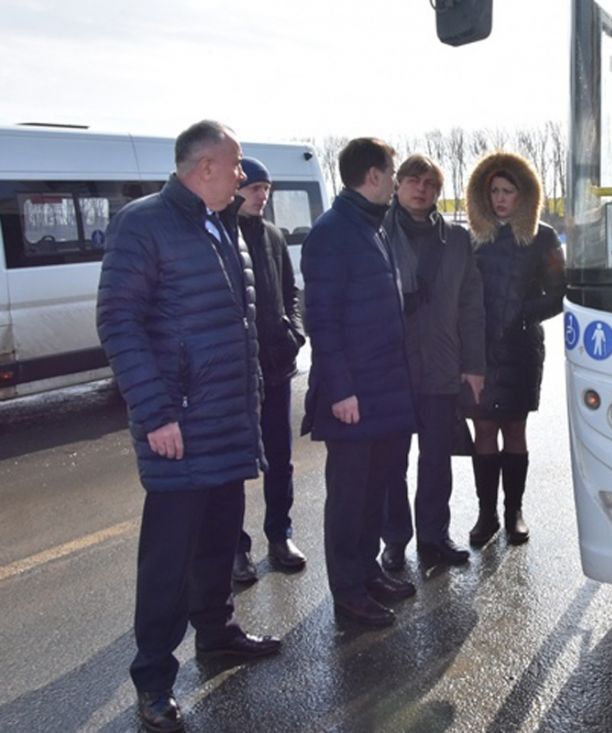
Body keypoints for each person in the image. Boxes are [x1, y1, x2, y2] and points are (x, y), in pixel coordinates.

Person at [96, 120, 280, 733]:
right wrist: (155, 413)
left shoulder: (221, 225)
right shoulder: (145, 223)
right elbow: (119, 322)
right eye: (234, 167)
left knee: (217, 544)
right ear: (204, 167)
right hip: (180, 424)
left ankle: (218, 635)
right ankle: (153, 681)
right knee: (168, 565)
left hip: (226, 419)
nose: (241, 177)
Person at [300, 137, 418, 627]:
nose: (394, 180)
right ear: (373, 176)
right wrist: (341, 390)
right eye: (391, 173)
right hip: (355, 394)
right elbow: (322, 322)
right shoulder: (333, 233)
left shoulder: (373, 227)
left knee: (375, 491)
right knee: (349, 498)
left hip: (386, 389)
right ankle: (348, 592)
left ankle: (367, 572)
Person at [380, 154, 486, 571]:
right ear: (397, 184)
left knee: (437, 459)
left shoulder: (457, 239)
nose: (421, 189)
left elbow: (472, 305)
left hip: (443, 365)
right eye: (413, 181)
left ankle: (434, 535)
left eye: (430, 184)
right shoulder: (378, 232)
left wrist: (474, 365)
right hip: (392, 367)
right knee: (392, 462)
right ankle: (394, 540)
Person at [463, 151, 565, 546]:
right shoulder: (471, 239)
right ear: (483, 195)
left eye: (508, 191)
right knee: (484, 429)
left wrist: (523, 313)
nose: (501, 199)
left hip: (522, 348)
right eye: (494, 191)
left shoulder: (543, 237)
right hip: (478, 351)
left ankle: (514, 512)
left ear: (524, 195)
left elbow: (559, 292)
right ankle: (485, 515)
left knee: (515, 430)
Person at [225, 157, 307, 583]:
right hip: (237, 373)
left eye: (266, 190)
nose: (262, 196)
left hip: (277, 367)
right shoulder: (219, 235)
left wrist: (294, 331)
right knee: (237, 462)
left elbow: (290, 290)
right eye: (254, 188)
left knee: (280, 458)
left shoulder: (274, 236)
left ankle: (281, 535)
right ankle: (235, 550)